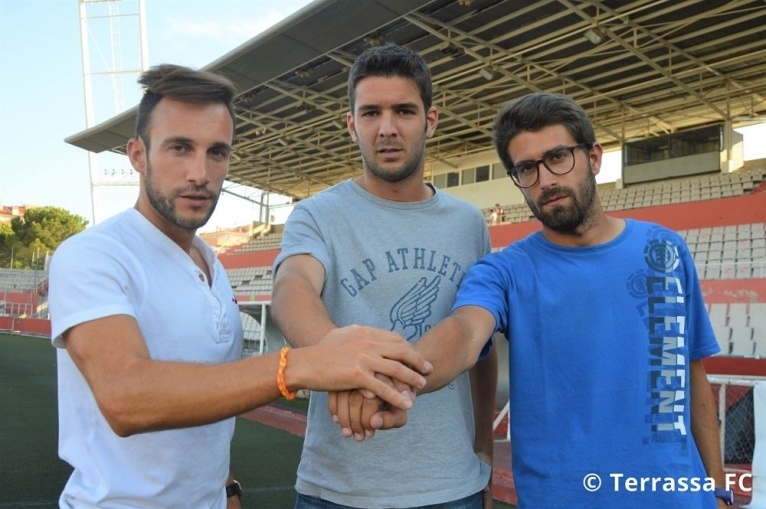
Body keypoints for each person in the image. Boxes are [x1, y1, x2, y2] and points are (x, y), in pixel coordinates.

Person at [48, 63, 432, 509]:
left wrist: (226, 486)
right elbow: (125, 398)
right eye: (179, 148)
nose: (200, 172)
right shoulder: (93, 254)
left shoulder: (210, 262)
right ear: (137, 154)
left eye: (217, 152)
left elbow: (202, 394)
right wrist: (300, 366)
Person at [338, 92, 732, 508]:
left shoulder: (665, 249)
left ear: (594, 158)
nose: (545, 181)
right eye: (526, 169)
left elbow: (692, 375)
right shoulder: (504, 271)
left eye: (558, 157)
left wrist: (719, 489)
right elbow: (465, 332)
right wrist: (397, 380)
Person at [271, 43, 497, 509]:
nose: (387, 128)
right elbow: (293, 286)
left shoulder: (468, 222)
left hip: (450, 485)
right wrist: (342, 359)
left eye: (404, 111)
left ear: (430, 120)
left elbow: (481, 346)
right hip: (336, 488)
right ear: (351, 124)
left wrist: (483, 450)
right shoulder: (317, 214)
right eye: (371, 112)